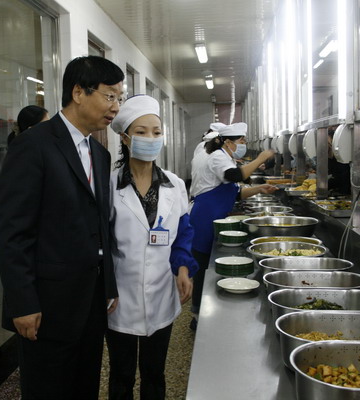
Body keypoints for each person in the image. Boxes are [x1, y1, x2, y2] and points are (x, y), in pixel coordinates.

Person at [0, 55, 124, 400]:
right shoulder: (33, 146)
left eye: (120, 98)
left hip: (91, 300)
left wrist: (108, 284)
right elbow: (13, 234)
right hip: (48, 304)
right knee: (48, 389)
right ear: (79, 92)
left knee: (85, 384)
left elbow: (100, 224)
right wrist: (22, 303)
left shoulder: (99, 154)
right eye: (109, 96)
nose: (115, 107)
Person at [107, 94, 198, 400]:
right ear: (125, 138)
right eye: (141, 132)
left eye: (156, 132)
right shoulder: (109, 186)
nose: (151, 138)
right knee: (121, 374)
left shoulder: (175, 184)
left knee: (154, 372)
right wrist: (104, 286)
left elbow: (183, 233)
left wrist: (183, 267)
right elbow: (99, 241)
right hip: (120, 296)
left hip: (162, 291)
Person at [188, 123, 276, 330]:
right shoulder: (217, 157)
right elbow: (234, 176)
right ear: (228, 142)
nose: (243, 144)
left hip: (213, 214)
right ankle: (198, 315)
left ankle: (204, 312)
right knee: (203, 267)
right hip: (205, 217)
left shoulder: (223, 156)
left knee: (208, 265)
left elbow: (235, 192)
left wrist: (259, 189)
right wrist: (260, 159)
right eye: (241, 141)